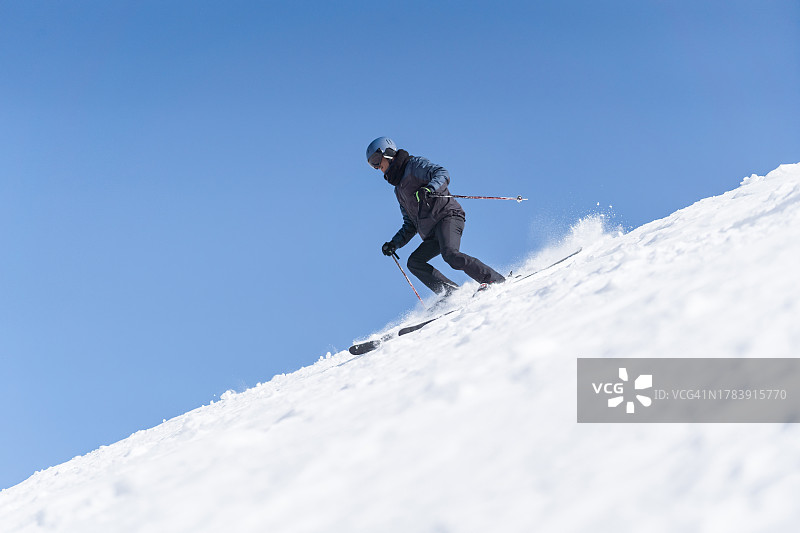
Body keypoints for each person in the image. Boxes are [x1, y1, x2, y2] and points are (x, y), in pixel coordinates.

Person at [366, 136, 506, 297]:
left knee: (450, 254)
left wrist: (429, 189)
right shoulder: (398, 191)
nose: (377, 167)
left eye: (377, 159)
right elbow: (410, 223)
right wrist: (394, 244)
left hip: (447, 216)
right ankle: (452, 293)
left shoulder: (413, 165)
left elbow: (441, 173)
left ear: (388, 152)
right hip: (432, 233)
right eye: (372, 164)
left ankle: (493, 279)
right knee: (414, 262)